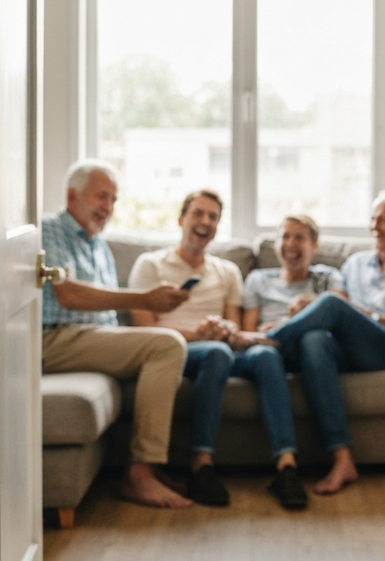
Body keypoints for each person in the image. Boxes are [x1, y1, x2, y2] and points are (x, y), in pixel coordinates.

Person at [129, 190, 308, 509]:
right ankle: (201, 465)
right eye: (198, 214)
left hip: (221, 348)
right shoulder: (151, 264)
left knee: (266, 355)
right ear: (182, 219)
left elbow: (235, 329)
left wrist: (232, 333)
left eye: (213, 217)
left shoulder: (227, 271)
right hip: (174, 352)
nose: (205, 222)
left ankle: (286, 467)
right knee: (216, 352)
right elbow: (144, 329)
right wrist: (196, 335)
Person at [266, 190, 385, 494]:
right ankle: (342, 458)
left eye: (383, 220)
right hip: (351, 349)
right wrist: (311, 307)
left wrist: (366, 315)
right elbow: (340, 315)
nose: (374, 226)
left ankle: (267, 342)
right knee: (313, 339)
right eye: (373, 219)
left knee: (333, 304)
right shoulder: (355, 264)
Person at [40, 159, 194, 509]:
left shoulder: (99, 246)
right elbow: (68, 293)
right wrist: (145, 299)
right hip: (54, 339)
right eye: (101, 197)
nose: (108, 207)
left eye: (113, 200)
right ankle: (139, 475)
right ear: (71, 196)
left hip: (87, 337)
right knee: (167, 345)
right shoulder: (48, 230)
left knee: (168, 346)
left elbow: (106, 318)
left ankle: (151, 470)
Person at [241, 215, 346, 333]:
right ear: (276, 244)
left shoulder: (327, 277)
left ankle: (281, 332)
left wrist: (313, 304)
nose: (291, 244)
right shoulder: (257, 279)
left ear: (314, 246)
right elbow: (248, 332)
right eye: (285, 236)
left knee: (315, 338)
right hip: (268, 346)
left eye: (299, 237)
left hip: (309, 340)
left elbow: (342, 311)